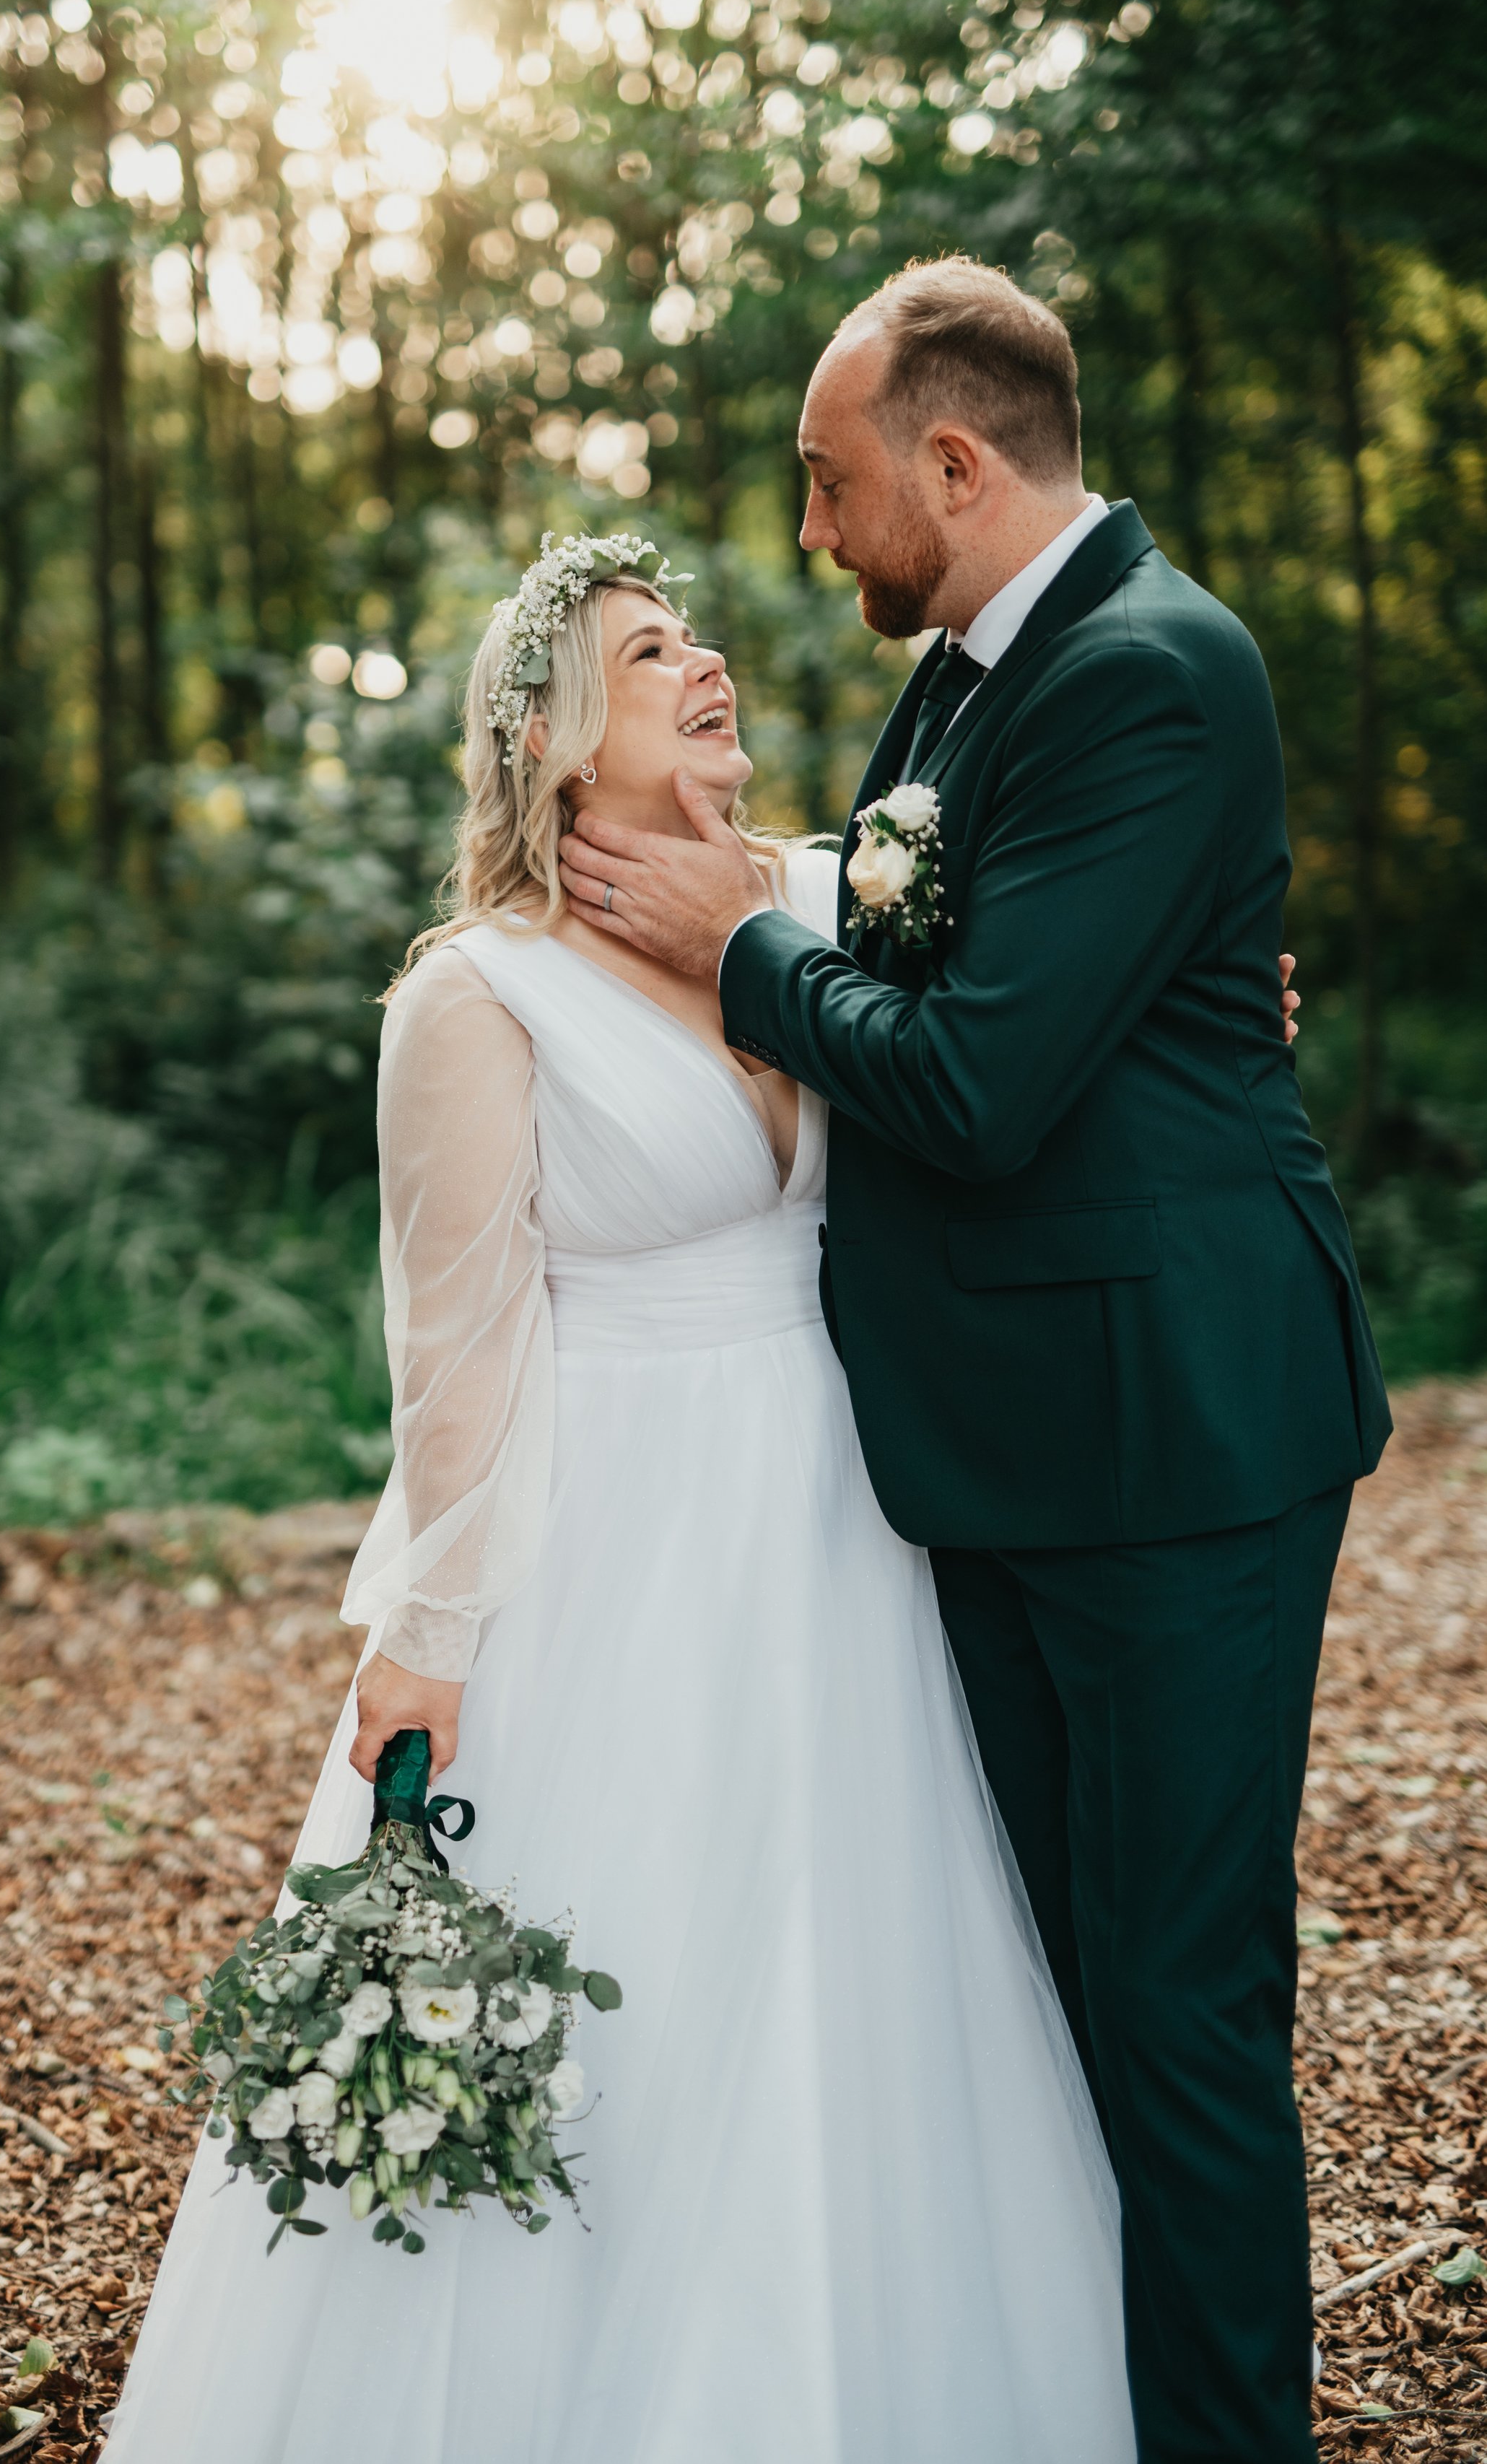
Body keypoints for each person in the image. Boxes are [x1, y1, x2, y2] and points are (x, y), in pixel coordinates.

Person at [103, 530, 1140, 2464]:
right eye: (648, 651)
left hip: (846, 1527)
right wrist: (425, 1641)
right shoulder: (473, 999)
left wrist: (1208, 999)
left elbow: (1047, 1012)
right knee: (633, 2006)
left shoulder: (832, 896)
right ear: (557, 741)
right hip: (621, 1548)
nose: (704, 662)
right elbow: (462, 1355)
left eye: (697, 636)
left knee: (848, 1980)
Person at [557, 258, 1391, 2464]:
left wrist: (733, 952)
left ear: (951, 458)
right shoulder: (958, 680)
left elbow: (985, 1076)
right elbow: (939, 935)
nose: (813, 537)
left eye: (833, 488)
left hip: (1169, 1446)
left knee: (1176, 2011)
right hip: (1012, 1446)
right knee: (1058, 2003)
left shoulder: (1149, 671)